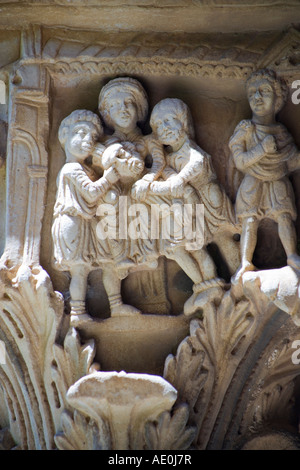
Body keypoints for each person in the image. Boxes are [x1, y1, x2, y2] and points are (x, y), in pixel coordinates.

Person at [148, 98, 238, 314]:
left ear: (184, 123)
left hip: (209, 199)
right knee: (199, 245)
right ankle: (211, 284)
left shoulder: (191, 149)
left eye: (170, 121)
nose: (165, 128)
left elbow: (198, 161)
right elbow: (165, 174)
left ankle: (240, 273)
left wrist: (180, 179)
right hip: (192, 205)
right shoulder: (168, 158)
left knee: (222, 238)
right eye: (159, 126)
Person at [52, 109, 141, 323]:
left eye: (91, 137)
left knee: (108, 261)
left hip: (89, 223)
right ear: (65, 136)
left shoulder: (83, 168)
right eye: (80, 133)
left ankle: (116, 305)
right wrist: (109, 178)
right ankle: (77, 312)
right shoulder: (71, 169)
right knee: (79, 270)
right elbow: (91, 193)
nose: (87, 141)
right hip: (72, 224)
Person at [229, 68, 300, 283]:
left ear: (277, 99)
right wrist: (261, 150)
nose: (257, 97)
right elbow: (240, 162)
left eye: (264, 91)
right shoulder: (245, 129)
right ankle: (245, 262)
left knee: (284, 216)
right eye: (252, 93)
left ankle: (292, 255)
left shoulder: (281, 132)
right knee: (249, 220)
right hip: (253, 181)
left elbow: (293, 159)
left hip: (278, 180)